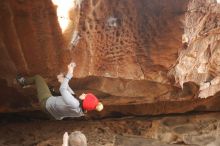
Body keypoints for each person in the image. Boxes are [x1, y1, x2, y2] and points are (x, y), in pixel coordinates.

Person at [16, 62, 104, 120]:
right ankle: (47, 90)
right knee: (52, 89)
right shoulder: (81, 111)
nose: (84, 94)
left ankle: (23, 82)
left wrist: (70, 73)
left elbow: (63, 89)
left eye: (85, 96)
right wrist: (62, 80)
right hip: (54, 114)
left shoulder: (75, 103)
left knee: (38, 78)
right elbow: (71, 94)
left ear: (84, 101)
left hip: (46, 103)